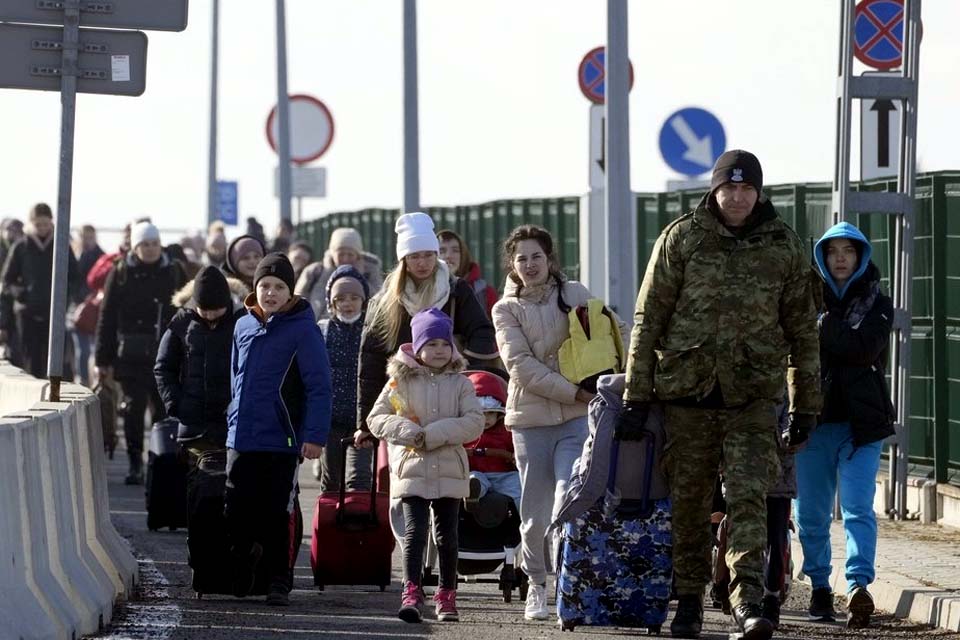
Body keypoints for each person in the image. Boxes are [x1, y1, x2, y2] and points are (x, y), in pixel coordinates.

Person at [621, 149, 821, 640]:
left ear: (759, 192)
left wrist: (805, 405)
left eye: (746, 188)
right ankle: (687, 599)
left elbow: (803, 332)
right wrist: (635, 395)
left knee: (750, 498)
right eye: (728, 188)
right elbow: (649, 319)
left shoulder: (784, 246)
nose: (737, 197)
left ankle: (749, 601)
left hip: (753, 399)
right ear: (713, 190)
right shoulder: (682, 238)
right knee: (690, 504)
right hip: (687, 397)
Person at [491, 224, 597, 621]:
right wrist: (574, 391)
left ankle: (569, 585)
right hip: (531, 422)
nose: (530, 264)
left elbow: (609, 335)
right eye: (521, 258)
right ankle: (536, 582)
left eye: (537, 256)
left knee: (569, 498)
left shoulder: (575, 294)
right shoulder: (505, 309)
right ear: (512, 265)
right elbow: (521, 367)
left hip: (575, 418)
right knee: (534, 513)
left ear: (550, 259)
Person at [794, 221, 894, 626]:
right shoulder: (801, 301)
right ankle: (820, 585)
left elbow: (863, 347)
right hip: (812, 423)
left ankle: (858, 586)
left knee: (857, 508)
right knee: (812, 513)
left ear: (860, 256)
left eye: (848, 251)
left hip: (862, 426)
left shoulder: (877, 302)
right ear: (821, 257)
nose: (840, 258)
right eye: (832, 251)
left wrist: (822, 326)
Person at [225, 252, 331, 607]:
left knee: (277, 512)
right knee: (236, 507)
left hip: (282, 440)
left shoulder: (304, 330)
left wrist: (314, 436)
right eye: (265, 285)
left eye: (279, 287)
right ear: (255, 289)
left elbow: (319, 386)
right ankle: (243, 558)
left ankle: (278, 579)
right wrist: (231, 418)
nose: (270, 293)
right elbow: (235, 378)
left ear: (290, 292)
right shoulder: (243, 325)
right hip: (242, 436)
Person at [367, 308, 484, 623]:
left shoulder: (461, 383)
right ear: (417, 347)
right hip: (412, 466)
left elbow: (475, 421)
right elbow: (376, 418)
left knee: (447, 534)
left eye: (444, 344)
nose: (439, 351)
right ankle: (412, 590)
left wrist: (434, 434)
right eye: (431, 344)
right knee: (415, 531)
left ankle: (447, 594)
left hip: (449, 467)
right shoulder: (399, 382)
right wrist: (407, 432)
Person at [355, 212, 497, 444]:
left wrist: (464, 372)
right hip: (404, 405)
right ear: (403, 260)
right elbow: (370, 361)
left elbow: (482, 333)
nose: (422, 263)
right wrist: (364, 423)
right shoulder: (386, 301)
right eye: (414, 256)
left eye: (428, 255)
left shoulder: (455, 291)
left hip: (449, 401)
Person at [95, 222, 187, 485]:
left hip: (166, 353)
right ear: (135, 247)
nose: (150, 249)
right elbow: (107, 317)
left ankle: (159, 461)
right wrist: (103, 359)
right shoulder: (121, 272)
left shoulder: (173, 270)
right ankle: (135, 462)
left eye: (154, 244)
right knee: (133, 410)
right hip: (130, 356)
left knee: (163, 411)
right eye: (144, 244)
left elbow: (187, 310)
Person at [154, 266, 241, 467]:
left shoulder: (242, 321)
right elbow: (164, 367)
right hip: (193, 425)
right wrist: (175, 404)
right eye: (204, 310)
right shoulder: (182, 322)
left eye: (216, 310)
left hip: (232, 425)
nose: (210, 316)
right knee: (196, 484)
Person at [0, 203, 80, 378]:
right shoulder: (21, 247)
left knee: (56, 363)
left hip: (55, 315)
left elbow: (74, 276)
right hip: (27, 314)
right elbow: (7, 281)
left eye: (45, 223)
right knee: (31, 361)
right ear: (31, 224)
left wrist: (66, 298)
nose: (42, 228)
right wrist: (22, 295)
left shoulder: (61, 246)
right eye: (38, 224)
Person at [311, 264, 373, 491]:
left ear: (363, 301)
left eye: (354, 298)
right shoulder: (322, 330)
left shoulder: (371, 331)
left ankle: (360, 522)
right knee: (331, 480)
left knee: (361, 479)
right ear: (332, 303)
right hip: (331, 420)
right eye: (341, 299)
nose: (348, 304)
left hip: (362, 420)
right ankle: (330, 523)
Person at [296, 227, 383, 321]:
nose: (345, 259)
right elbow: (297, 303)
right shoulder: (314, 272)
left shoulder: (370, 272)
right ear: (333, 254)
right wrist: (327, 274)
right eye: (341, 254)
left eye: (350, 255)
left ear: (358, 256)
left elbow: (379, 303)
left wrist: (360, 277)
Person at [462, 370, 521, 509]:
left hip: (503, 474)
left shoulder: (506, 431)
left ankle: (528, 520)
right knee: (473, 479)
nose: (486, 419)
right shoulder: (464, 432)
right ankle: (471, 494)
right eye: (481, 414)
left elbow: (516, 449)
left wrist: (515, 457)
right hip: (475, 472)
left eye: (491, 414)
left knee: (519, 485)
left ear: (499, 415)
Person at [438, 229, 498, 318]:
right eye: (442, 251)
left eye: (455, 250)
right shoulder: (422, 289)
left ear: (463, 255)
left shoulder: (485, 292)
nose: (448, 256)